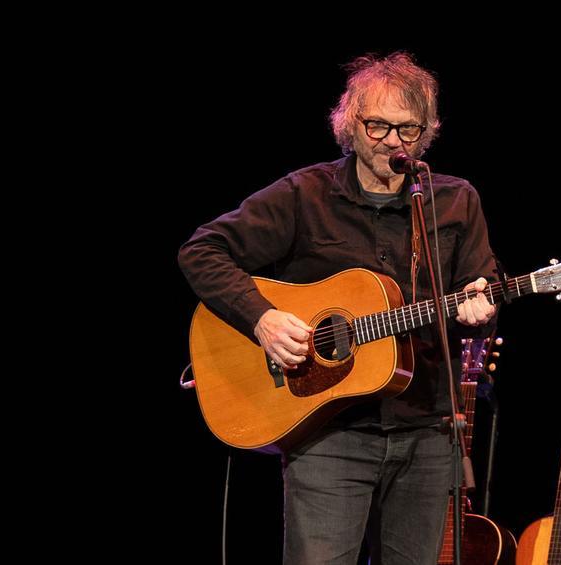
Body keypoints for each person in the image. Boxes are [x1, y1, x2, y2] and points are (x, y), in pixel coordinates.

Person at [178, 52, 498, 564]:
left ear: (427, 133)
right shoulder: (305, 195)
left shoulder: (455, 201)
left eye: (409, 130)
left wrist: (482, 309)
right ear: (351, 123)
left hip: (428, 432)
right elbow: (201, 250)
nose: (394, 141)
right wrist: (261, 317)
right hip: (328, 434)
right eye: (379, 126)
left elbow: (482, 293)